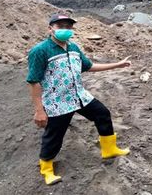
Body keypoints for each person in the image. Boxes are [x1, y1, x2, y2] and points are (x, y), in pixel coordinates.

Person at [27, 13, 132, 185]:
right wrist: (39, 110)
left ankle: (109, 149)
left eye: (68, 27)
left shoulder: (73, 48)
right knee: (54, 135)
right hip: (57, 102)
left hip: (79, 96)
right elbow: (33, 81)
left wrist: (118, 64)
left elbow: (89, 66)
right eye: (60, 26)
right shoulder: (40, 51)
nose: (65, 30)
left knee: (102, 114)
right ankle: (46, 169)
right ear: (50, 28)